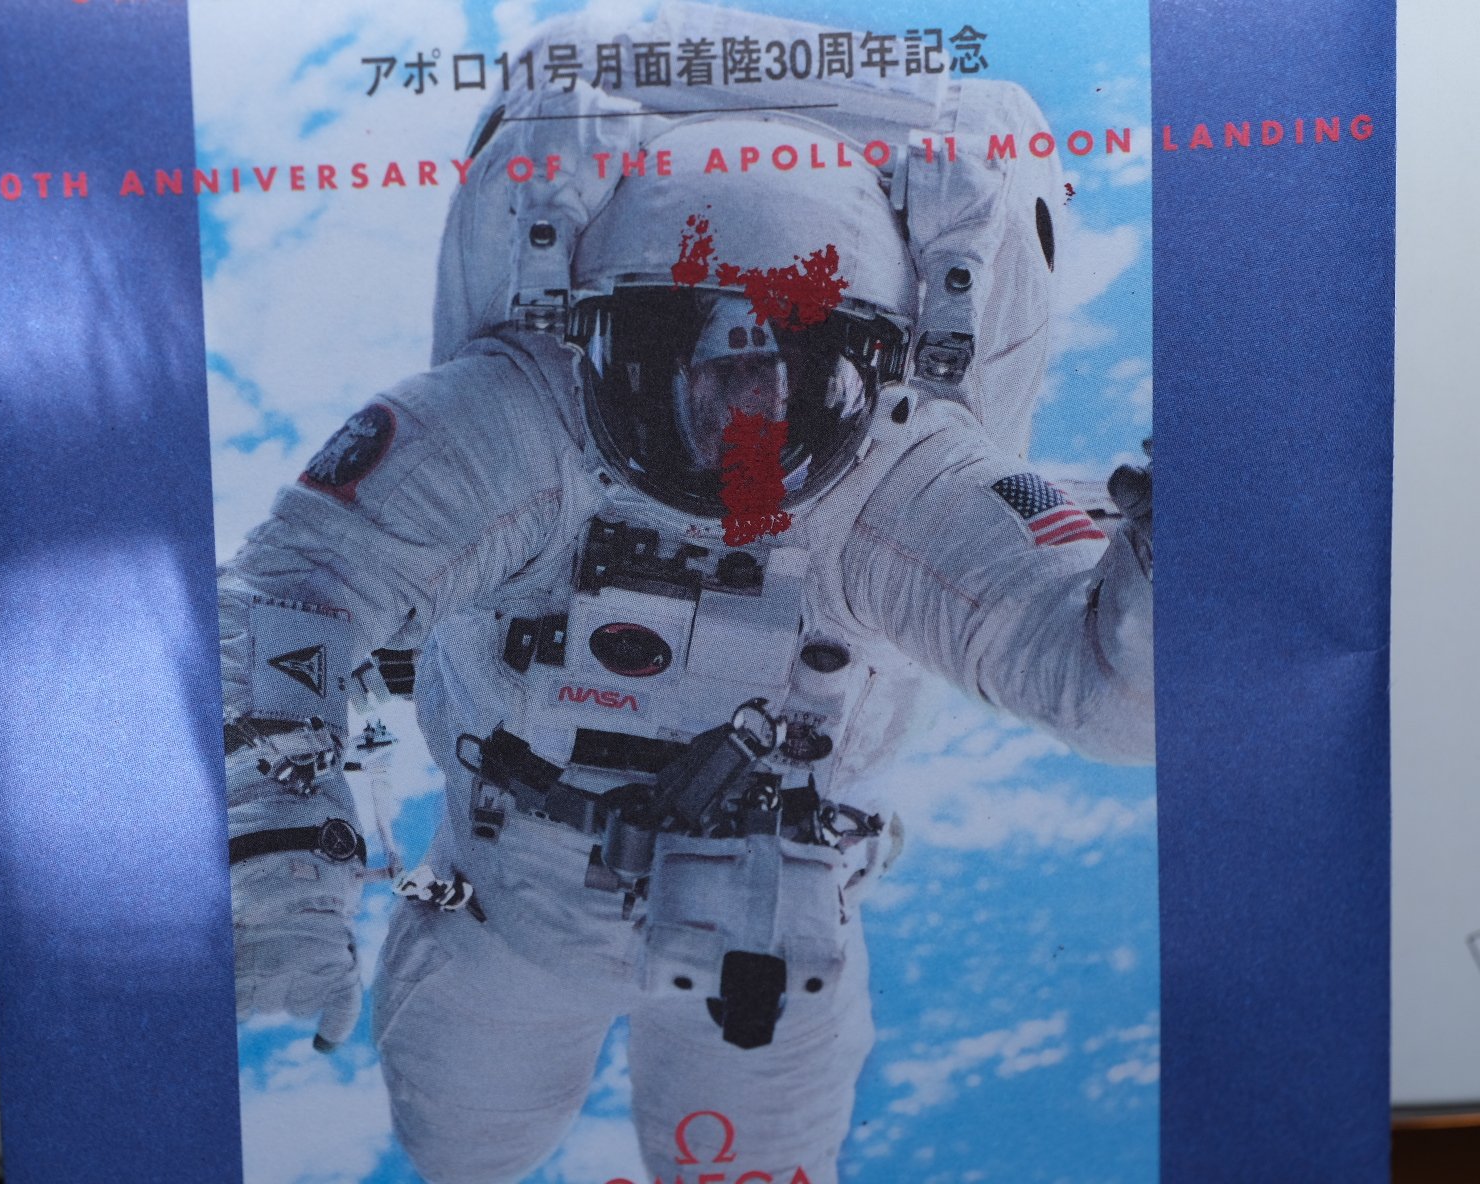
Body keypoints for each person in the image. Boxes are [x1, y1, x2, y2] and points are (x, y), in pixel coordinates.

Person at [220, 105, 1153, 1184]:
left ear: (868, 367)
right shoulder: (509, 423)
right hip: (513, 898)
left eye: (792, 369)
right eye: (703, 360)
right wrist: (282, 869)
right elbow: (291, 592)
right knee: (462, 1154)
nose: (744, 419)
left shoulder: (907, 478)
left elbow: (1110, 693)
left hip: (770, 925)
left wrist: (1165, 567)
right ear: (610, 344)